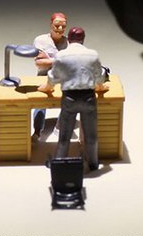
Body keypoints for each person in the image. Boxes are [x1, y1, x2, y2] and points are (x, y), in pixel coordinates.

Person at [38, 27, 108, 171]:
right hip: (89, 97)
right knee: (91, 135)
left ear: (68, 39)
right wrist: (101, 87)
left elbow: (53, 77)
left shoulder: (62, 55)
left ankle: (59, 162)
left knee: (65, 135)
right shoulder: (93, 54)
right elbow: (99, 76)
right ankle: (94, 164)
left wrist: (47, 88)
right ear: (83, 39)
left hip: (70, 98)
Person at [32, 12, 69, 140]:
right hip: (44, 76)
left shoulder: (69, 43)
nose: (60, 28)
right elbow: (39, 63)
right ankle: (37, 131)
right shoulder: (41, 40)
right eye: (57, 25)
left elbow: (72, 63)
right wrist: (61, 59)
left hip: (63, 78)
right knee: (40, 102)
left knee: (69, 101)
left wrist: (49, 59)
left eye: (63, 26)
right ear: (51, 25)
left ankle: (60, 129)